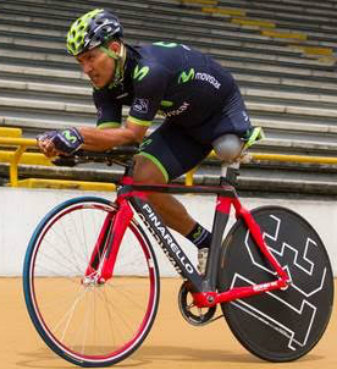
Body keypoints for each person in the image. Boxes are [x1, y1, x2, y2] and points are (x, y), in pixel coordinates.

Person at [37, 8, 261, 273]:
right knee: (143, 178)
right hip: (184, 122)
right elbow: (110, 140)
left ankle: (251, 238)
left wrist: (78, 135)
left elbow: (132, 134)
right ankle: (207, 242)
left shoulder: (149, 71)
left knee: (227, 148)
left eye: (90, 57)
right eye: (80, 61)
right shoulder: (104, 88)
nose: (86, 69)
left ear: (115, 48)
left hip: (222, 112)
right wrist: (66, 150)